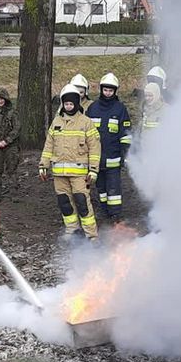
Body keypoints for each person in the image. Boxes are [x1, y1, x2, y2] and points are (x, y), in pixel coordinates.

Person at [39, 84, 101, 240]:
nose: (68, 106)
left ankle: (91, 235)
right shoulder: (56, 122)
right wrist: (43, 165)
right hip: (59, 173)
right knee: (64, 203)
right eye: (66, 103)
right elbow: (49, 145)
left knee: (82, 202)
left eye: (71, 103)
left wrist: (93, 170)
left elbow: (95, 147)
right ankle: (72, 231)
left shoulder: (86, 122)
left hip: (80, 174)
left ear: (77, 103)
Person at [85, 72, 132, 224]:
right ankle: (104, 209)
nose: (108, 93)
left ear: (115, 91)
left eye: (111, 90)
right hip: (96, 158)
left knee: (114, 189)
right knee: (101, 187)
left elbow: (126, 133)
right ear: (101, 89)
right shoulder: (92, 108)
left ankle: (115, 215)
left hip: (113, 157)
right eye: (105, 90)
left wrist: (125, 152)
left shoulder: (120, 109)